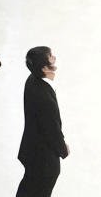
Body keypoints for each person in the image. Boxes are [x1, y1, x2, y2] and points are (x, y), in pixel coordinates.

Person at [17, 46, 67, 196]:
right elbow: (52, 130)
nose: (54, 58)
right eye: (51, 56)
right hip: (43, 159)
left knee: (28, 186)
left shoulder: (31, 80)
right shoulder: (45, 99)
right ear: (45, 68)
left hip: (31, 150)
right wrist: (63, 149)